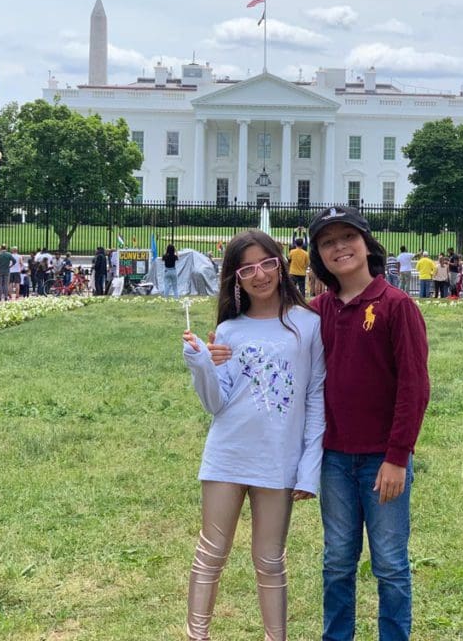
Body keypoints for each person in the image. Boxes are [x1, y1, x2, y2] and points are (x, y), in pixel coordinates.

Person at [182, 229, 325, 641]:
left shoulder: (308, 325)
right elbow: (215, 403)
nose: (259, 274)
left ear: (281, 264)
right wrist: (200, 363)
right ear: (236, 279)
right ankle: (197, 636)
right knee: (210, 554)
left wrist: (308, 469)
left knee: (270, 560)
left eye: (266, 263)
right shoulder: (229, 330)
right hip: (228, 453)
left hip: (278, 459)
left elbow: (316, 398)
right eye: (247, 268)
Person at [305, 205, 430, 641]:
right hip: (335, 458)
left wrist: (397, 457)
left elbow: (414, 387)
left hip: (382, 460)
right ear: (318, 256)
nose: (340, 248)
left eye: (347, 237)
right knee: (337, 560)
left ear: (366, 242)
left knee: (390, 562)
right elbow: (271, 338)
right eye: (327, 242)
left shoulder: (395, 306)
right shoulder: (315, 311)